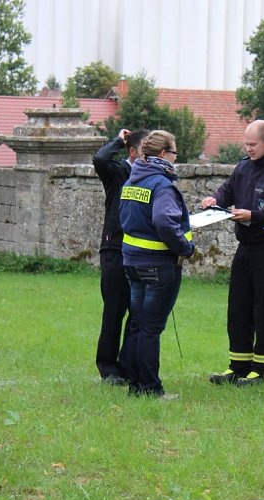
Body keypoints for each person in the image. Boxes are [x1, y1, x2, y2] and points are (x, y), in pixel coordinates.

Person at [201, 120, 264, 386]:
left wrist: (254, 215)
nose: (249, 148)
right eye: (246, 144)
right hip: (246, 248)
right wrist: (215, 200)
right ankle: (238, 366)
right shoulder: (243, 166)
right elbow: (227, 190)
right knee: (239, 308)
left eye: (253, 144)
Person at [119, 130, 195, 398]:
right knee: (151, 328)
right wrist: (185, 248)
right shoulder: (162, 186)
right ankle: (151, 388)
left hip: (132, 261)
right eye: (174, 153)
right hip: (158, 266)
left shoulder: (132, 181)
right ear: (163, 155)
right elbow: (164, 222)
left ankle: (135, 384)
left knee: (139, 324)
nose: (175, 158)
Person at [93, 128, 149, 385]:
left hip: (141, 252)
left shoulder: (152, 178)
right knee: (114, 310)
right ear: (133, 152)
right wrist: (118, 139)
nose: (149, 158)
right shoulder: (118, 173)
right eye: (145, 152)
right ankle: (109, 368)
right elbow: (100, 159)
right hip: (114, 250)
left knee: (138, 312)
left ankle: (128, 365)